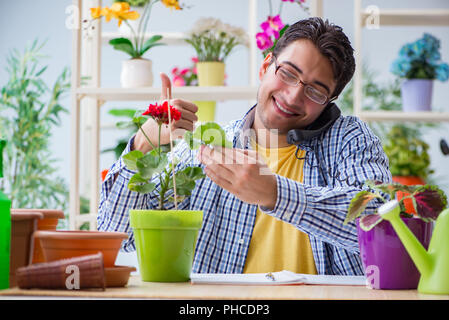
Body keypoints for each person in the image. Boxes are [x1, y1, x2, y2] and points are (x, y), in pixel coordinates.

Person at [98, 17, 391, 275]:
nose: (292, 96)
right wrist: (143, 143)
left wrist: (275, 194)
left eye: (315, 91)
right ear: (266, 66)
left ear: (329, 102)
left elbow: (382, 226)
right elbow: (118, 239)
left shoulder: (349, 138)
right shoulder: (206, 146)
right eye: (288, 73)